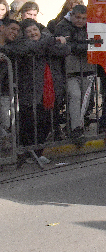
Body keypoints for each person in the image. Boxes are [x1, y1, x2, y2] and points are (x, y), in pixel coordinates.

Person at [10, 19, 69, 163]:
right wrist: (51, 41)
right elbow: (29, 48)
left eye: (34, 30)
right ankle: (27, 151)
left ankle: (38, 151)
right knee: (29, 121)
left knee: (47, 121)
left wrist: (50, 43)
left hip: (50, 88)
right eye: (28, 31)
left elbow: (64, 50)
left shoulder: (46, 41)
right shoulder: (22, 43)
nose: (32, 33)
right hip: (30, 90)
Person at [55, 4, 97, 139]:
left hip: (87, 69)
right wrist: (85, 45)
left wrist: (80, 46)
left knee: (84, 100)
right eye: (78, 17)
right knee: (75, 96)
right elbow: (66, 46)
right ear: (72, 15)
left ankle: (75, 126)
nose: (80, 21)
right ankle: (75, 128)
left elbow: (94, 43)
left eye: (84, 18)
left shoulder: (89, 26)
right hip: (70, 70)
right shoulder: (62, 26)